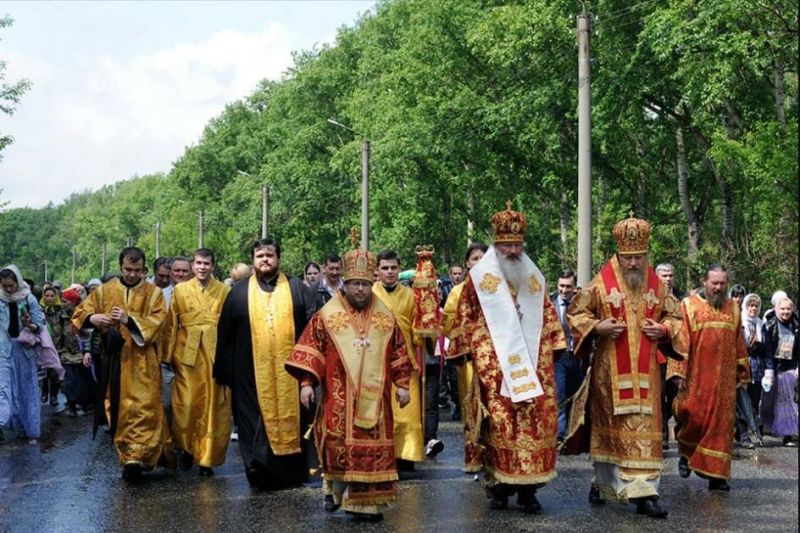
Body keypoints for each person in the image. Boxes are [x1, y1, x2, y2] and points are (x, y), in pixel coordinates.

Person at [450, 202, 564, 514]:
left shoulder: (533, 278)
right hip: (495, 367)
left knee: (534, 425)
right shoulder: (478, 278)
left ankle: (529, 489)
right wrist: (473, 350)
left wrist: (555, 346)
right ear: (496, 246)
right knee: (498, 426)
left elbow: (548, 317)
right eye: (506, 245)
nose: (512, 250)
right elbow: (464, 318)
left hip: (533, 367)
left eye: (516, 244)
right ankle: (498, 486)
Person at [567, 214, 683, 519]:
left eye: (639, 257)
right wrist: (598, 327)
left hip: (646, 375)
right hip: (610, 374)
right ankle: (605, 483)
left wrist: (665, 331)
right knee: (613, 433)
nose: (633, 263)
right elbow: (576, 313)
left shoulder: (657, 286)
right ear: (619, 254)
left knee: (645, 431)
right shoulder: (601, 283)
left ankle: (645, 493)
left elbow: (677, 318)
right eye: (628, 257)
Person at [285, 246, 412, 522]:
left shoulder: (385, 317)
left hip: (375, 401)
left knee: (374, 449)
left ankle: (368, 504)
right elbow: (311, 348)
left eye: (365, 285)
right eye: (355, 284)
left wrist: (403, 384)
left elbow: (399, 352)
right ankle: (334, 491)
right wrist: (307, 382)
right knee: (338, 447)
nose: (360, 291)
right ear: (345, 282)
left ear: (372, 283)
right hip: (339, 398)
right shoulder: (328, 315)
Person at [213, 238, 318, 489]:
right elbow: (225, 333)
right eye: (260, 256)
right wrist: (225, 373)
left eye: (270, 255)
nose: (265, 259)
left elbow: (312, 331)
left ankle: (290, 475)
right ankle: (258, 470)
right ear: (253, 260)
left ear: (278, 258)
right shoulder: (238, 293)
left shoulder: (296, 288)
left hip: (291, 376)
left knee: (294, 423)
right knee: (253, 425)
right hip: (249, 378)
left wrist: (310, 376)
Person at [72, 247, 174, 480]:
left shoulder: (153, 293)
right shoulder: (104, 291)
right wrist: (92, 318)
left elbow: (159, 322)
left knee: (144, 408)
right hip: (115, 360)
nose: (132, 274)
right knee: (119, 408)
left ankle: (139, 457)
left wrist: (130, 321)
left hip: (143, 361)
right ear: (120, 267)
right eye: (128, 269)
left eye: (137, 270)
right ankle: (128, 457)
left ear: (143, 269)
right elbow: (79, 315)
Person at [669, 264, 750, 491]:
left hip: (724, 381)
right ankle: (686, 454)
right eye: (714, 283)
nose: (718, 287)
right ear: (705, 281)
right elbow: (680, 339)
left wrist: (742, 371)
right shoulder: (689, 306)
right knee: (692, 418)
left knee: (722, 427)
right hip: (696, 378)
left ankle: (718, 476)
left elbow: (738, 342)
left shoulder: (733, 308)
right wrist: (678, 372)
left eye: (722, 283)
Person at [164, 248, 231, 476]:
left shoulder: (223, 290)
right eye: (199, 263)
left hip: (215, 354)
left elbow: (231, 325)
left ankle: (207, 458)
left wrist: (229, 356)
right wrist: (168, 354)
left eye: (207, 264)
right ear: (193, 266)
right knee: (187, 403)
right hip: (187, 355)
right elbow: (171, 324)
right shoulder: (180, 290)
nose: (202, 268)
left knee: (213, 406)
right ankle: (186, 447)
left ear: (213, 266)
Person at [373, 250, 425, 470]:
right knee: (381, 410)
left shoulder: (411, 295)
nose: (390, 272)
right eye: (385, 268)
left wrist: (425, 331)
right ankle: (382, 454)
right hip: (377, 360)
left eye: (393, 267)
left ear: (399, 268)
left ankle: (406, 456)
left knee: (407, 410)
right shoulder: (370, 293)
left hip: (407, 359)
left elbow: (418, 329)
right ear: (377, 270)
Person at [443, 242, 487, 468]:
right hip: (469, 357)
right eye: (474, 259)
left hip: (495, 358)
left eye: (483, 258)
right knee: (471, 405)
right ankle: (474, 454)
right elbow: (449, 323)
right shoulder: (457, 292)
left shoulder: (496, 286)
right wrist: (473, 331)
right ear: (468, 263)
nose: (478, 262)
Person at [0, 265, 46, 444]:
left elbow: (38, 325)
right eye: (5, 287)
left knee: (27, 390)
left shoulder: (28, 298)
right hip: (3, 349)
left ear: (18, 281)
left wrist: (28, 324)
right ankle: (7, 424)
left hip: (24, 348)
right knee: (4, 389)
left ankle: (30, 431)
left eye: (11, 285)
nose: (9, 289)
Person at [655, 262, 687, 450]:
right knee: (658, 396)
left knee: (678, 397)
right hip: (657, 353)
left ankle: (682, 435)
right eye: (664, 275)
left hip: (678, 355)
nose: (667, 279)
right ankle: (662, 435)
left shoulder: (683, 298)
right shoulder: (650, 297)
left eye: (670, 275)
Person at [761, 296, 799, 447]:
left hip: (790, 367)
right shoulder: (769, 325)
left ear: (793, 309)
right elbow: (767, 350)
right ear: (777, 309)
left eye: (788, 309)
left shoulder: (796, 325)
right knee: (768, 402)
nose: (785, 312)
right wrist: (769, 370)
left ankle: (788, 435)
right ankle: (761, 431)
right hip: (773, 367)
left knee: (788, 403)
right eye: (782, 309)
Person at [551, 268, 581, 444]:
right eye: (561, 286)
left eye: (568, 286)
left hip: (578, 355)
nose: (564, 290)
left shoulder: (580, 305)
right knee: (560, 394)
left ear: (574, 287)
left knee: (576, 394)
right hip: (558, 356)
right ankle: (559, 434)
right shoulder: (550, 304)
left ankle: (574, 433)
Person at [55, 289, 94, 417]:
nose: (62, 303)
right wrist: (59, 351)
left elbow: (87, 335)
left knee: (82, 382)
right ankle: (71, 406)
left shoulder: (82, 316)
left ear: (73, 302)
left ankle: (85, 404)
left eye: (65, 301)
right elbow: (58, 335)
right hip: (66, 354)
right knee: (68, 381)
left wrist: (87, 351)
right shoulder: (61, 316)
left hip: (81, 354)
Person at [739, 293, 767, 447]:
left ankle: (756, 432)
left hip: (757, 367)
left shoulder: (761, 324)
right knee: (743, 400)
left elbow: (766, 349)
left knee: (755, 401)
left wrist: (768, 370)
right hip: (742, 365)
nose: (754, 309)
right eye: (751, 305)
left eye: (756, 306)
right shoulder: (740, 322)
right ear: (745, 306)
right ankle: (744, 435)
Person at [40, 286, 63, 406]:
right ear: (43, 297)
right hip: (44, 345)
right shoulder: (39, 310)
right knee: (44, 372)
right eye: (47, 296)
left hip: (57, 345)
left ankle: (54, 395)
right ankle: (44, 392)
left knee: (55, 372)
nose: (49, 298)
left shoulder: (60, 311)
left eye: (52, 296)